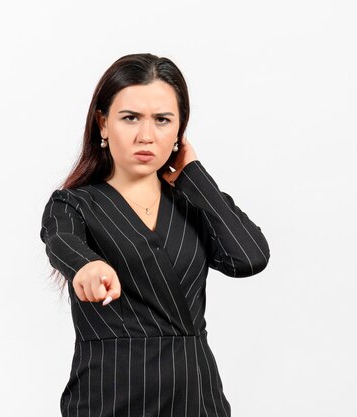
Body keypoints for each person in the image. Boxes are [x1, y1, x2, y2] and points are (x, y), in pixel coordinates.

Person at [39, 53, 270, 417]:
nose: (146, 136)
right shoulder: (73, 204)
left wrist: (195, 176)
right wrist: (86, 266)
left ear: (179, 131)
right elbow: (61, 241)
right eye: (130, 118)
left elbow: (250, 257)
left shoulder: (194, 203)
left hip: (197, 399)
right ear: (103, 123)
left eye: (163, 120)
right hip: (111, 396)